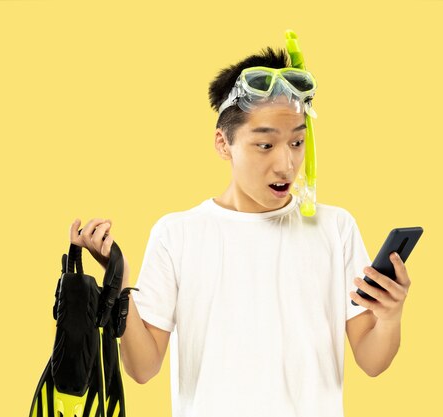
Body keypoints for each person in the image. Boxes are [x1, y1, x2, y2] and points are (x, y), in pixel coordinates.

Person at [69, 46, 412, 417]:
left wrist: (390, 316)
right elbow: (142, 368)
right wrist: (119, 283)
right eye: (265, 145)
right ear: (223, 144)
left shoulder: (336, 229)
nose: (286, 163)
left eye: (297, 142)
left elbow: (372, 361)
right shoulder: (178, 235)